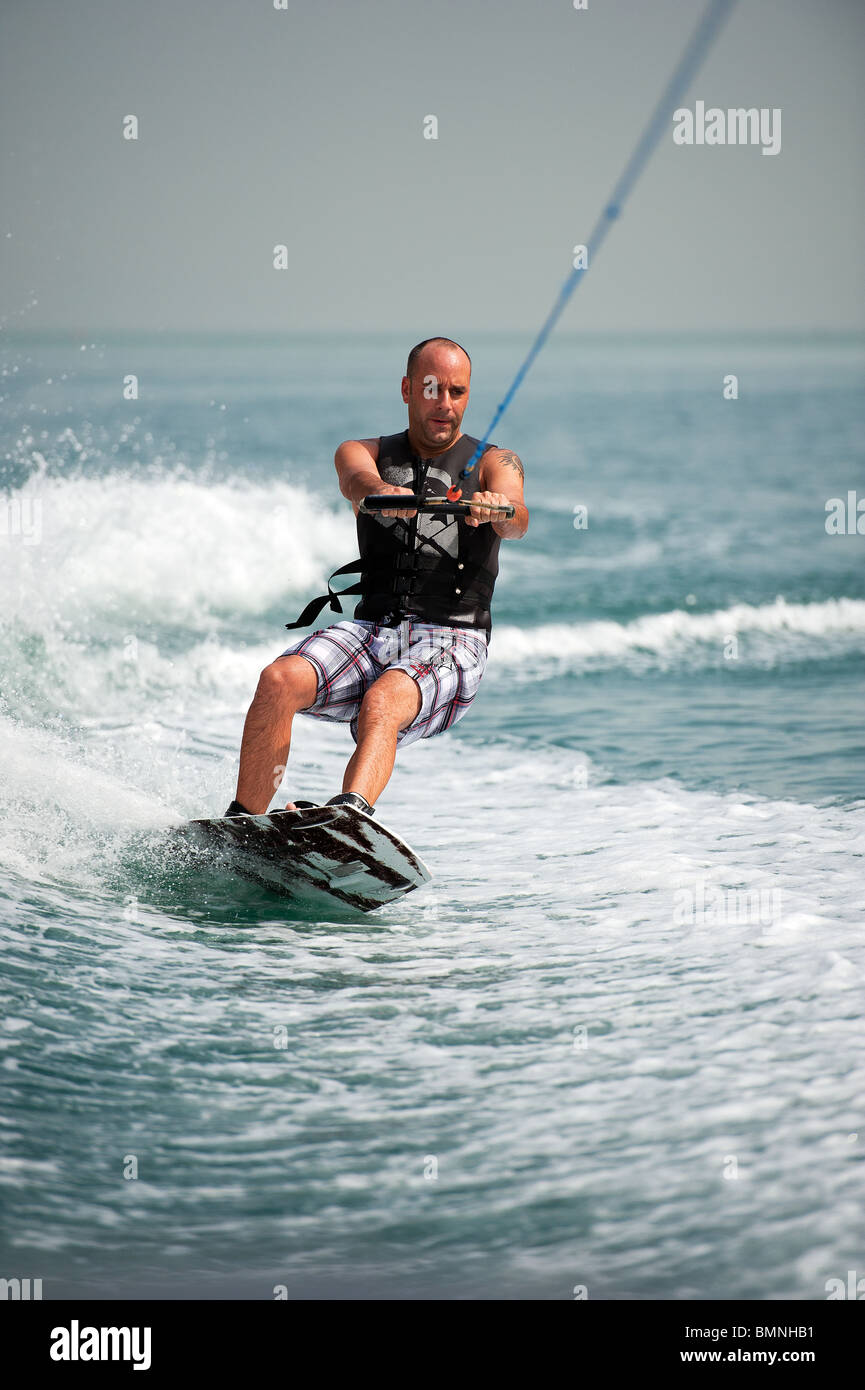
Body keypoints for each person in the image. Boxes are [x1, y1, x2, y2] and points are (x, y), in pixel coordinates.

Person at [224, 336, 529, 818]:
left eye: (457, 391)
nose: (444, 403)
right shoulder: (363, 451)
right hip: (374, 628)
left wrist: (497, 508)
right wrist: (384, 492)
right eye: (432, 388)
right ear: (408, 389)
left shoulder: (495, 462)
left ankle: (349, 817)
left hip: (454, 637)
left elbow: (518, 518)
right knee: (277, 680)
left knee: (385, 699)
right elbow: (355, 481)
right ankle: (243, 824)